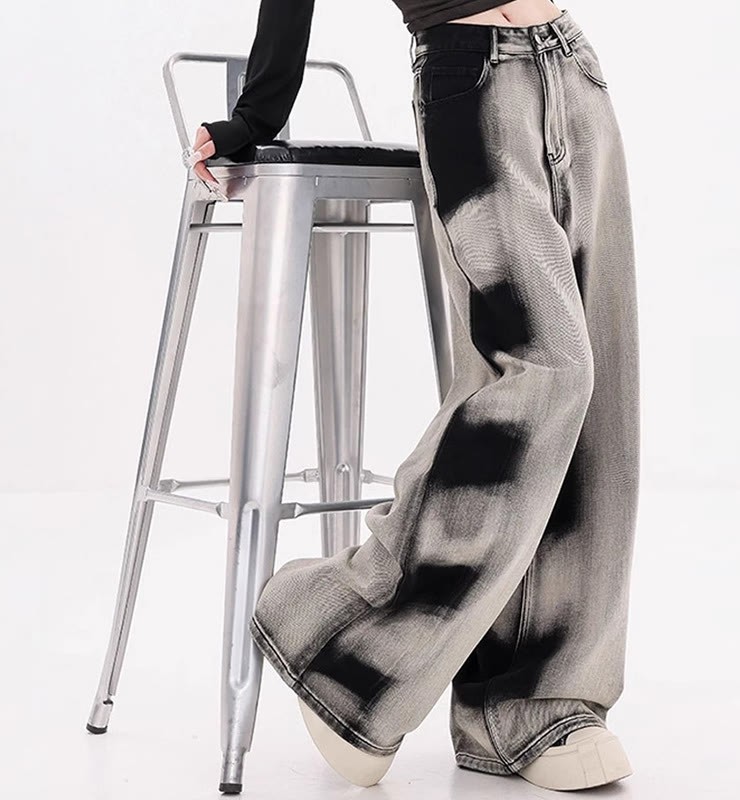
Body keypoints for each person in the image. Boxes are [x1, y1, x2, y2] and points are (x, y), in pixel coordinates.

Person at [194, 0, 640, 791]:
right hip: (473, 76)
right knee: (545, 369)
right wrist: (258, 114)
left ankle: (532, 703)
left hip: (574, 70)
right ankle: (344, 641)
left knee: (599, 401)